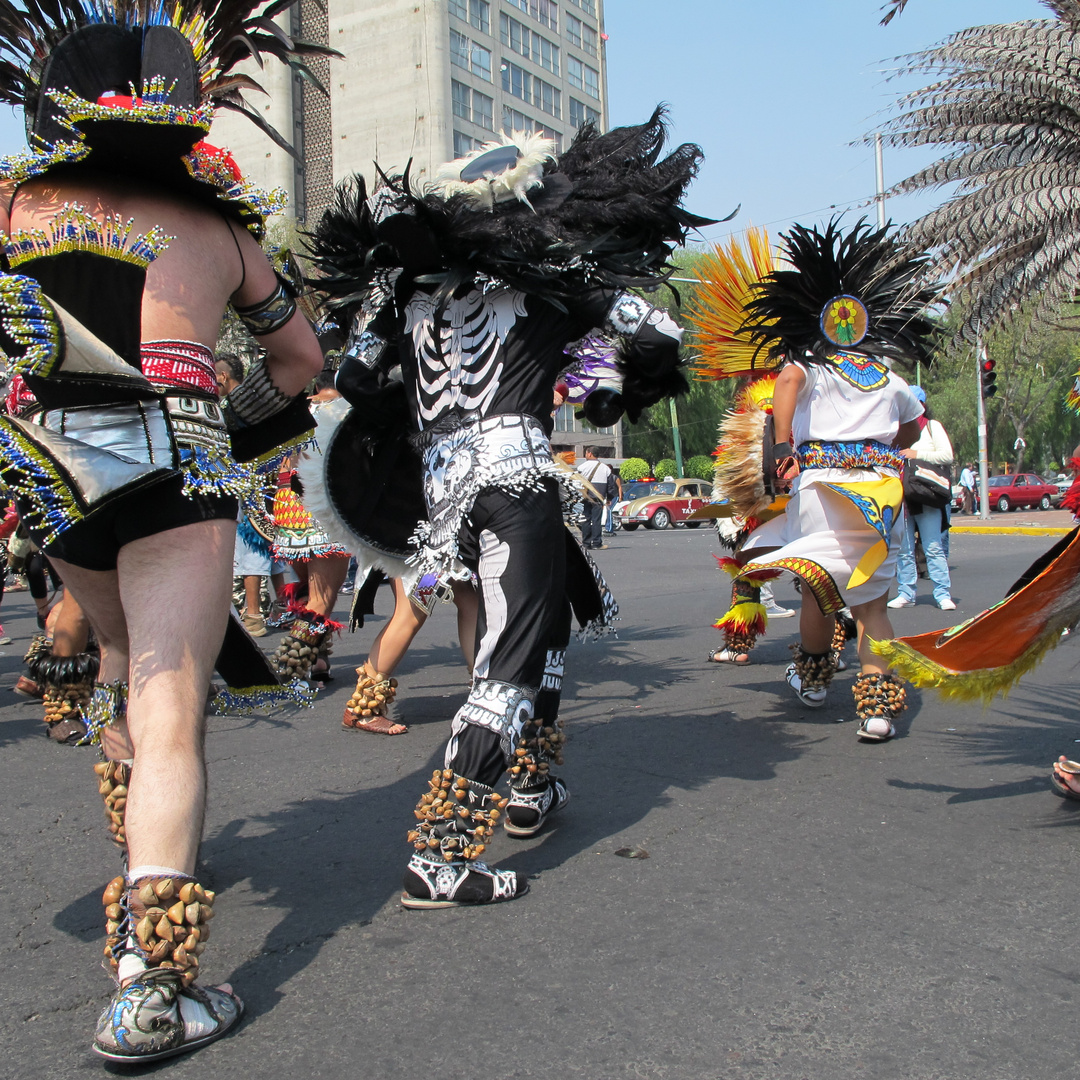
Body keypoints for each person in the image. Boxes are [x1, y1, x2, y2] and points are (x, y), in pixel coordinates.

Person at [0, 4, 329, 1061]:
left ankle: (133, 833)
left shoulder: (16, 207)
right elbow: (303, 368)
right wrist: (235, 434)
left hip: (51, 466)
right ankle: (149, 988)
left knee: (117, 659)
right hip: (177, 462)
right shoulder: (225, 233)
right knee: (169, 705)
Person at [309, 111, 706, 906]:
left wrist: (406, 397)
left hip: (440, 492)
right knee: (510, 667)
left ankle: (530, 785)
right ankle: (444, 853)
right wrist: (624, 389)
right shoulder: (554, 275)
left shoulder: (405, 294)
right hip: (515, 482)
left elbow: (350, 377)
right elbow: (659, 330)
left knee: (542, 624)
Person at [732, 219, 936, 742]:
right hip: (878, 494)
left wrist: (782, 448)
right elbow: (916, 426)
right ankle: (876, 710)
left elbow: (786, 381)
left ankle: (815, 681)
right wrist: (888, 447)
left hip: (821, 487)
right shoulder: (890, 376)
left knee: (816, 592)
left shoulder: (808, 367)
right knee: (872, 605)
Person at [888, 386, 956, 611]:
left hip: (925, 495)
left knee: (933, 546)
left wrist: (917, 454)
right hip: (901, 496)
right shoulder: (893, 429)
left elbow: (947, 456)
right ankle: (906, 592)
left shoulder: (931, 427)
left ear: (922, 405)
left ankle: (942, 593)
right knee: (904, 548)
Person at [577, 447, 612, 550]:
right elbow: (610, 485)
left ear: (590, 454)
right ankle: (597, 543)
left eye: (586, 453)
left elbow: (577, 482)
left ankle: (586, 543)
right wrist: (609, 498)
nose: (585, 455)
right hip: (598, 497)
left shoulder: (582, 467)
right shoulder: (605, 468)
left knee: (586, 519)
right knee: (596, 520)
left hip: (585, 497)